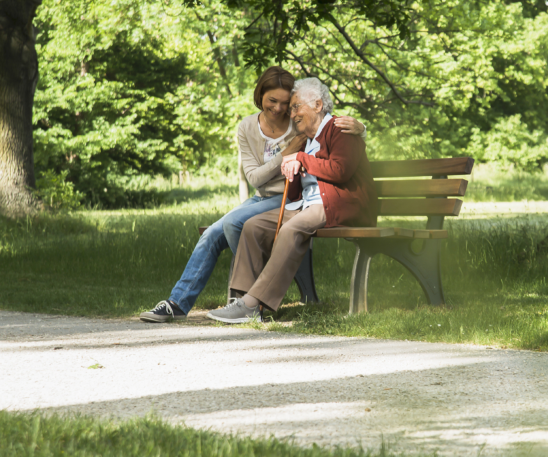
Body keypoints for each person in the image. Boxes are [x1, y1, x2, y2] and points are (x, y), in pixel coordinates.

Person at [140, 68, 364, 322]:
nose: (283, 110)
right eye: (275, 102)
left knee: (236, 222)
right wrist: (288, 156)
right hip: (276, 199)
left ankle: (249, 302)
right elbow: (257, 178)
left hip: (299, 202)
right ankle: (181, 303)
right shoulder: (254, 126)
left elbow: (339, 148)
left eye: (289, 104)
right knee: (237, 228)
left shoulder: (303, 126)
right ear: (260, 96)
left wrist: (361, 128)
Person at [207, 77, 377, 323]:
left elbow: (341, 170)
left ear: (318, 105)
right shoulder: (306, 139)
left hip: (338, 204)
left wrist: (301, 160)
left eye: (297, 107)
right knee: (253, 226)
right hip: (307, 205)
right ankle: (240, 299)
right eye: (292, 108)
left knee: (292, 228)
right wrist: (294, 164)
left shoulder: (341, 129)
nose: (292, 113)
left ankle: (254, 304)